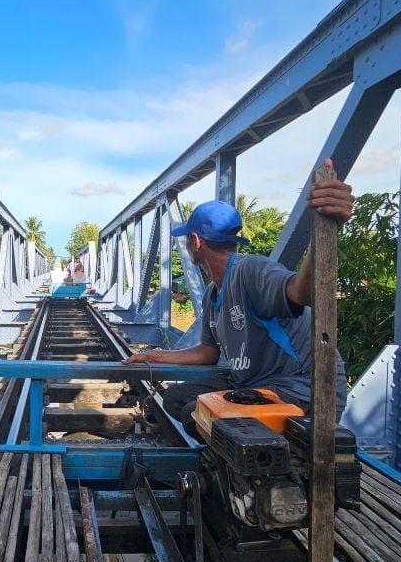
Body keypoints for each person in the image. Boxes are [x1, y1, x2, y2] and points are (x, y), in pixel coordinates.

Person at [123, 159, 353, 429]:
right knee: (175, 398)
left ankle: (253, 456)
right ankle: (228, 447)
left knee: (194, 414)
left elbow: (300, 293)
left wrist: (326, 230)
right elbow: (208, 353)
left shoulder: (250, 271)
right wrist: (155, 356)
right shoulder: (212, 294)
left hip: (299, 387)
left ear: (196, 242)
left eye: (186, 240)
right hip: (250, 382)